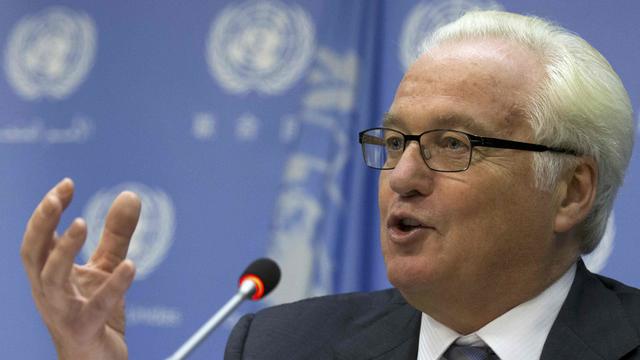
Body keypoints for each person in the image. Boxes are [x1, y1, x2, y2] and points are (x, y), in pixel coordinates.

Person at [20, 10, 639, 360]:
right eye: (394, 143)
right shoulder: (280, 348)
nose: (402, 177)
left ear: (570, 191)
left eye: (453, 144)